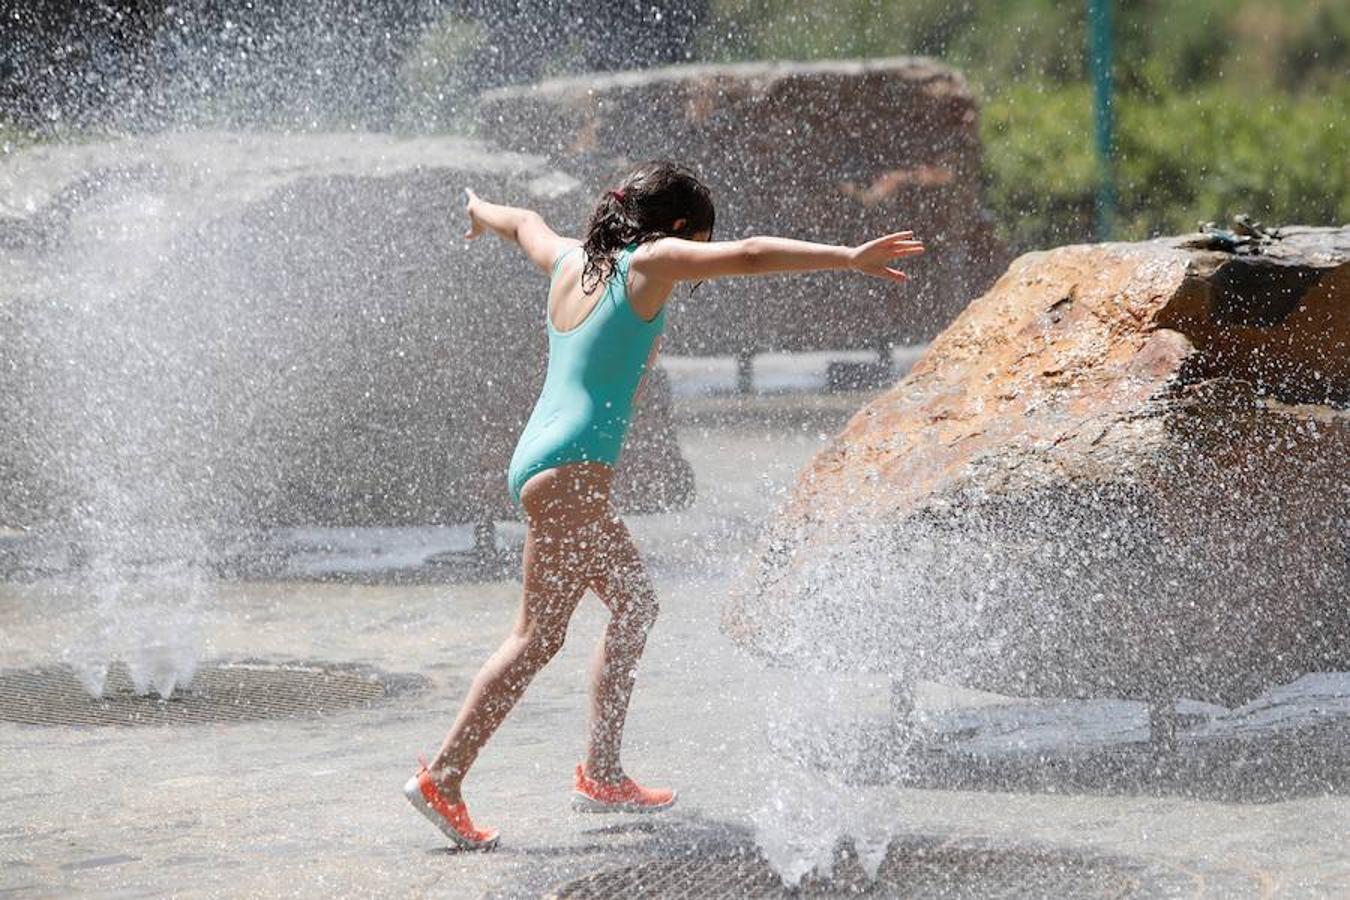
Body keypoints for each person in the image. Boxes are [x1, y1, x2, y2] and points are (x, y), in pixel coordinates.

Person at [404, 161, 924, 850]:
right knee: (536, 638)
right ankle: (445, 776)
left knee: (633, 605)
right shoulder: (650, 263)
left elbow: (522, 223)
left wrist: (479, 208)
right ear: (678, 229)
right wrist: (846, 257)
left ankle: (602, 772)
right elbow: (748, 255)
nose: (703, 259)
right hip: (569, 476)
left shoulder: (571, 263)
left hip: (544, 463)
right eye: (698, 241)